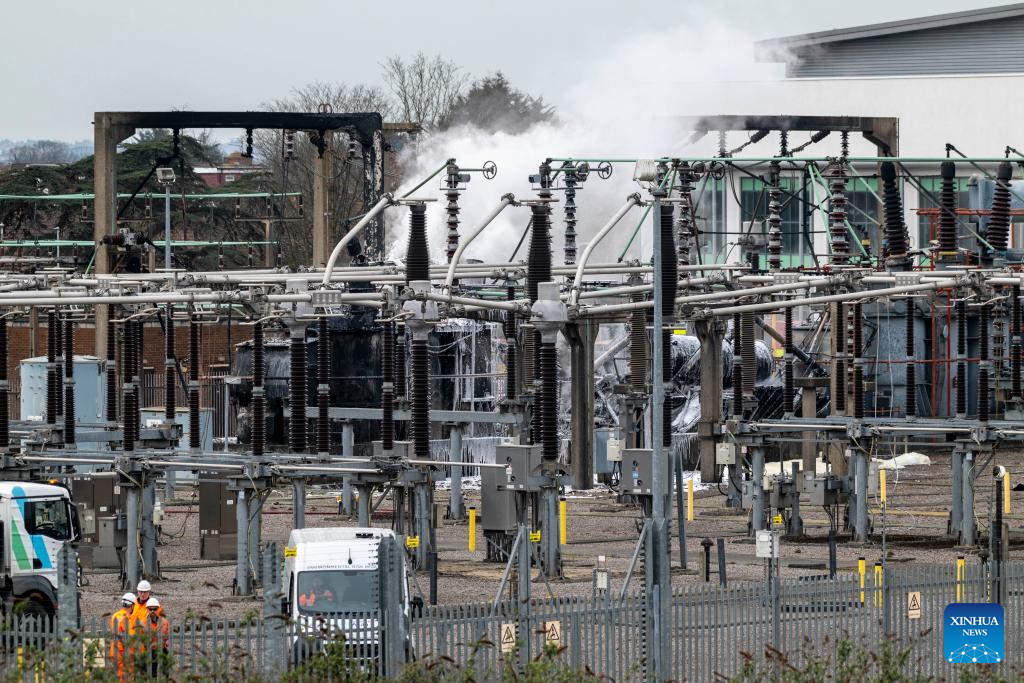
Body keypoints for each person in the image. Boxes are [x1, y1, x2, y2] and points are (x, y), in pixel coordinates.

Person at [137, 597, 170, 678]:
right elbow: (140, 639)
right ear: (147, 609)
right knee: (151, 672)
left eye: (154, 609)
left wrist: (166, 642)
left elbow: (167, 636)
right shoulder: (143, 623)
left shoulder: (164, 622)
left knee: (166, 671)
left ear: (158, 609)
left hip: (161, 649)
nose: (152, 611)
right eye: (150, 609)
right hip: (148, 650)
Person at [108, 593, 135, 682]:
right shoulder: (128, 618)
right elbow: (131, 635)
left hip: (115, 650)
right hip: (124, 650)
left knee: (119, 676)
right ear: (132, 605)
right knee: (127, 677)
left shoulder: (115, 616)